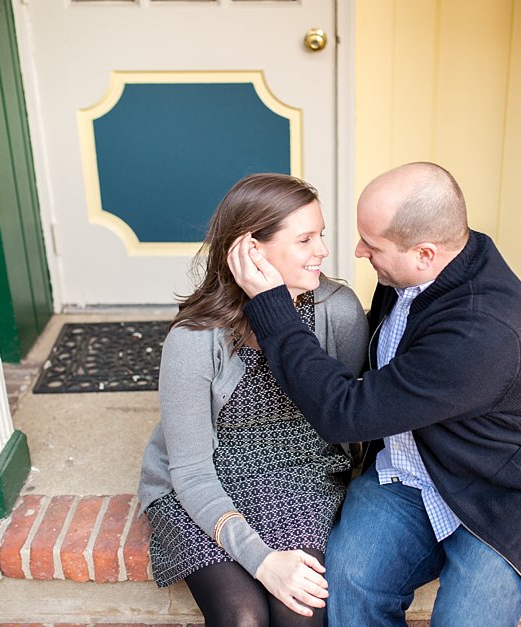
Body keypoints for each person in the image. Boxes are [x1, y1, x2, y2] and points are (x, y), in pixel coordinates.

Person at [227, 162, 521, 626]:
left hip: (507, 495)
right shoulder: (425, 269)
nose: (358, 251)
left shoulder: (483, 332)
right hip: (409, 474)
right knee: (350, 586)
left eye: (372, 245)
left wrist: (273, 307)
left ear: (424, 252)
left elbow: (344, 412)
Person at [137, 173, 368, 626]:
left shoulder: (338, 311)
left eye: (320, 235)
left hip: (303, 477)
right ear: (252, 249)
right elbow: (190, 470)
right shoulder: (194, 337)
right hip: (204, 485)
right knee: (242, 617)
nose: (322, 250)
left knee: (299, 610)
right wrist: (262, 561)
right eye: (304, 239)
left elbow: (350, 416)